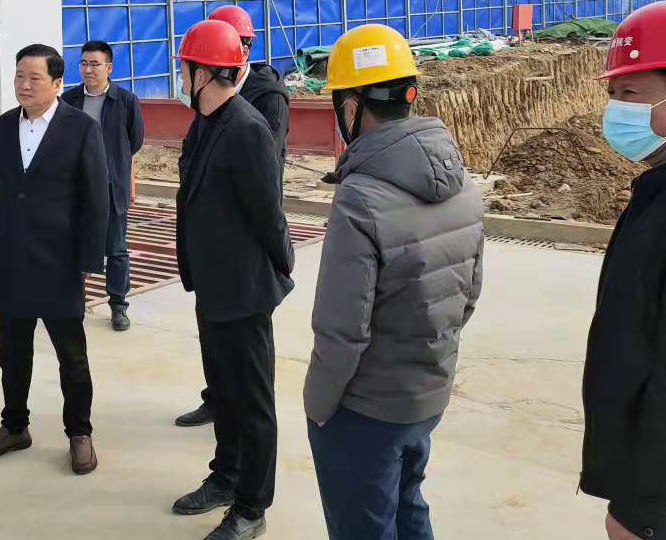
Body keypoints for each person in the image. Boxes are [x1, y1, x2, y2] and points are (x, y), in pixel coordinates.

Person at [303, 24, 484, 540]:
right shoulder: (463, 183)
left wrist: (319, 406)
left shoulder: (360, 197)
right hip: (426, 395)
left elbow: (342, 331)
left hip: (366, 408)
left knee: (364, 525)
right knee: (408, 505)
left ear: (352, 105)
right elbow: (467, 297)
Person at [170, 20, 294, 540]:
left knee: (253, 404)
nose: (180, 77)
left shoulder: (246, 129)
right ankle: (225, 477)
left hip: (244, 292)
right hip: (214, 286)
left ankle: (250, 508)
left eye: (184, 69)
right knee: (224, 392)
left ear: (203, 73)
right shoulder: (205, 121)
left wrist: (281, 267)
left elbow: (269, 213)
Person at [0, 44, 109, 476]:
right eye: (19, 77)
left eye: (34, 78)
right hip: (11, 258)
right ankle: (14, 427)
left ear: (57, 83)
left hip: (59, 261)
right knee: (12, 354)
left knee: (72, 356)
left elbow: (96, 196)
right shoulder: (3, 126)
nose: (24, 86)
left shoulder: (81, 128)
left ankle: (79, 433)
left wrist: (89, 258)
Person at [580, 4, 666, 539]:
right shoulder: (655, 191)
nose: (616, 111)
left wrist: (645, 497)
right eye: (613, 94)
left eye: (631, 93)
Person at [63, 40, 144, 332]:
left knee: (116, 248)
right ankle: (73, 302)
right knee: (74, 244)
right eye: (84, 63)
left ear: (109, 68)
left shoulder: (125, 101)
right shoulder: (69, 100)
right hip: (76, 187)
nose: (88, 69)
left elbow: (134, 141)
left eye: (95, 64)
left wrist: (116, 169)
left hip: (111, 187)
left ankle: (118, 306)